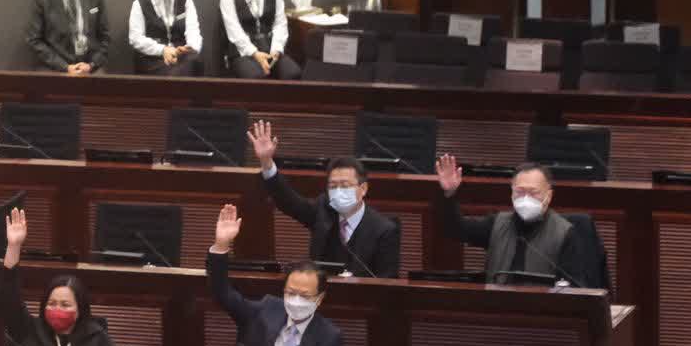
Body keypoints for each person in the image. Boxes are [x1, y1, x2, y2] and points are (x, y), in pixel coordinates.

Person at [207, 203, 342, 346]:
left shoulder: (328, 336)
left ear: (319, 299)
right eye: (291, 293)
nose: (296, 300)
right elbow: (222, 292)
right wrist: (221, 245)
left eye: (305, 296)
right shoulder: (264, 311)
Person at [249, 119, 401, 278]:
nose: (338, 191)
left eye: (345, 185)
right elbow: (288, 202)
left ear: (363, 189)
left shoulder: (384, 230)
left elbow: (387, 283)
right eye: (333, 186)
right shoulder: (323, 210)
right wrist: (266, 162)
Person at [0, 206, 127, 346]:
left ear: (80, 309)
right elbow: (7, 297)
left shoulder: (96, 339)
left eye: (65, 305)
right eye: (52, 303)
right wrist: (14, 246)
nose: (57, 309)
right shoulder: (28, 330)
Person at [432, 153, 597, 287]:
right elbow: (454, 228)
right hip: (498, 309)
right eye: (520, 192)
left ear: (549, 195)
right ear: (511, 193)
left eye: (533, 193)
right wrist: (448, 194)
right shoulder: (497, 224)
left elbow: (574, 288)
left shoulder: (565, 233)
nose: (526, 198)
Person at [128, 0, 204, 77]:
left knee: (195, 61)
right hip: (153, 57)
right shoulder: (140, 4)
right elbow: (136, 38)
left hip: (181, 56)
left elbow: (193, 30)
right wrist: (162, 50)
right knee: (171, 73)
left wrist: (189, 47)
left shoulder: (186, 0)